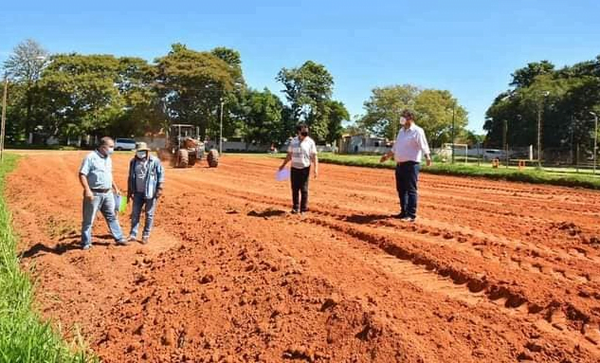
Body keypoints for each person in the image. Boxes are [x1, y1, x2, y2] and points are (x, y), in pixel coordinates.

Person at [380, 110, 432, 222]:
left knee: (411, 190)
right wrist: (387, 156)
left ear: (410, 118)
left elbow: (424, 145)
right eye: (401, 116)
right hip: (400, 165)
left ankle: (411, 214)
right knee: (401, 189)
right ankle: (403, 212)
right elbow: (396, 147)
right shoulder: (401, 131)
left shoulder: (417, 131)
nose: (402, 119)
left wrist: (427, 157)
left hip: (411, 165)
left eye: (404, 117)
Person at [79, 137, 127, 250]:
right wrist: (87, 190)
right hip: (94, 194)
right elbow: (82, 174)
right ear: (102, 147)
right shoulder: (90, 158)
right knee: (88, 220)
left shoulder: (108, 159)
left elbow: (109, 175)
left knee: (112, 216)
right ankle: (86, 242)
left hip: (108, 193)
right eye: (110, 147)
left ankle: (119, 238)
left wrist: (115, 188)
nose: (112, 150)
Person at [126, 142, 165, 244]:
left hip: (150, 193)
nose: (140, 153)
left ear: (147, 151)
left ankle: (145, 235)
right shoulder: (133, 162)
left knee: (149, 214)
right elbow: (130, 177)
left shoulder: (154, 161)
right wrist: (129, 192)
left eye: (142, 151)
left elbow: (161, 175)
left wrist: (159, 189)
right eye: (139, 151)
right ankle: (133, 234)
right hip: (137, 192)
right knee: (135, 214)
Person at [279, 124, 318, 215]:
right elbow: (289, 155)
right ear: (299, 132)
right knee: (295, 189)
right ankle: (295, 208)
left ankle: (303, 209)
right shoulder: (293, 141)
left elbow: (314, 156)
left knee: (304, 189)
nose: (306, 133)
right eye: (304, 131)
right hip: (294, 168)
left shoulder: (310, 142)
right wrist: (283, 165)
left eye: (307, 131)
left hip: (305, 168)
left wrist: (316, 169)